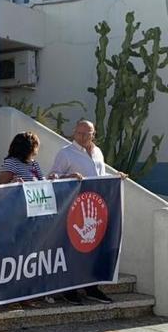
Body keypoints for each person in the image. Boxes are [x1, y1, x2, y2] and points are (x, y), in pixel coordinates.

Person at [48, 119, 122, 304]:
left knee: (93, 248)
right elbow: (53, 176)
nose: (81, 137)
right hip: (74, 210)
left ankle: (91, 288)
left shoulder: (97, 152)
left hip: (95, 209)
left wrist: (116, 178)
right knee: (73, 248)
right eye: (79, 133)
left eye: (86, 133)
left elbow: (100, 176)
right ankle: (69, 289)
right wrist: (69, 177)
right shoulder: (66, 153)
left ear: (93, 134)